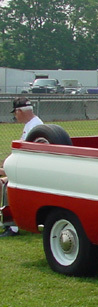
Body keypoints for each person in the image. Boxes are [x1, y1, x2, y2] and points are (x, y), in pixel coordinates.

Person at [0, 97, 44, 237]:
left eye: (15, 113)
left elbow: (29, 158)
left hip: (33, 172)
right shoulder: (31, 125)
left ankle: (12, 227)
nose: (15, 116)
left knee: (6, 185)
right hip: (29, 169)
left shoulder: (34, 127)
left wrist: (6, 171)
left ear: (19, 111)